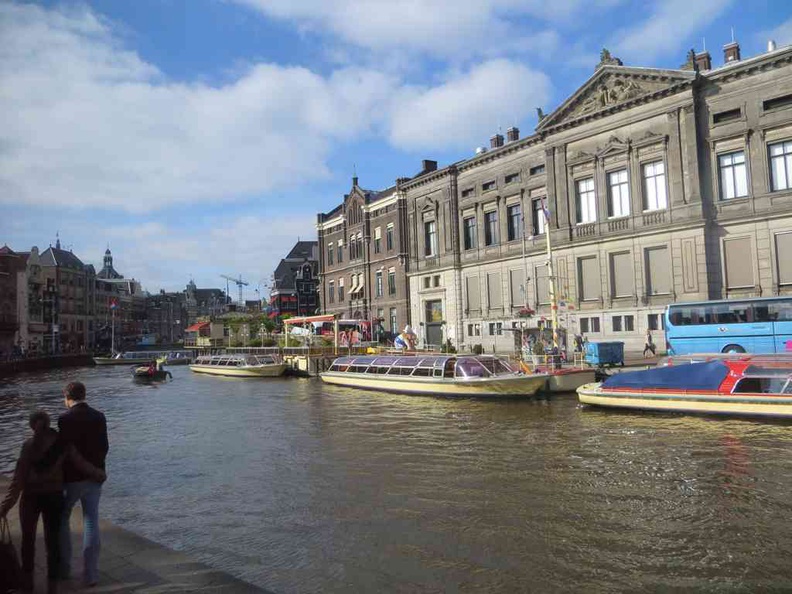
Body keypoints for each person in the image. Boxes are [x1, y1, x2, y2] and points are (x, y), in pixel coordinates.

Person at [0, 410, 105, 594]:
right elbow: (80, 462)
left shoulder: (28, 446)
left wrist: (5, 507)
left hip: (31, 499)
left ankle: (28, 585)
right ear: (49, 423)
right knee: (53, 544)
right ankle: (52, 587)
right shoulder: (61, 444)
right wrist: (98, 473)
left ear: (32, 426)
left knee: (28, 541)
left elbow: (18, 481)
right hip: (54, 497)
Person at [58, 382, 109, 588]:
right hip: (95, 477)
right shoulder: (99, 416)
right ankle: (91, 575)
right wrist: (96, 468)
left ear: (67, 397)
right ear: (84, 395)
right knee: (91, 522)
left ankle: (64, 568)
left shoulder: (64, 419)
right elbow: (104, 447)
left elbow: (64, 451)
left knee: (62, 520)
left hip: (71, 478)